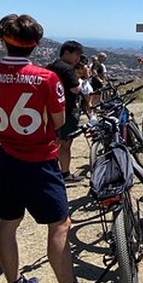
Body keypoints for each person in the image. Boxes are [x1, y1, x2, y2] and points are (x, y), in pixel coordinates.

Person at [0, 14, 104, 283]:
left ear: (2, 41)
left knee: (7, 225)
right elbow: (58, 121)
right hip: (40, 161)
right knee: (59, 225)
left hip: (6, 158)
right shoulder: (45, 78)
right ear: (36, 44)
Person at [45, 40, 84, 182]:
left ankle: (51, 169)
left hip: (51, 110)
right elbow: (75, 89)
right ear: (67, 53)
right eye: (76, 55)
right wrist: (81, 82)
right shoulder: (67, 69)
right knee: (65, 144)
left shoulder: (51, 66)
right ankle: (65, 173)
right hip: (67, 110)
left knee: (54, 141)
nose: (78, 59)